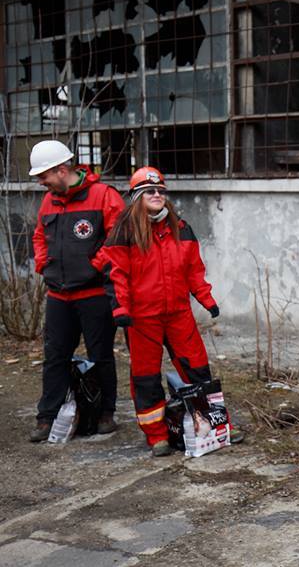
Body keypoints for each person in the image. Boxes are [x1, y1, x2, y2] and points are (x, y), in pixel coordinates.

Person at [102, 167, 240, 456]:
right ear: (136, 197)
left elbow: (194, 270)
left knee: (198, 369)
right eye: (149, 191)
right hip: (142, 319)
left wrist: (206, 299)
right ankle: (157, 436)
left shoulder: (180, 227)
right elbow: (117, 275)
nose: (156, 195)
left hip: (179, 314)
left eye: (160, 191)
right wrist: (121, 309)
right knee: (146, 377)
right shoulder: (124, 231)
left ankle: (217, 425)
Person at [29, 140, 125, 442]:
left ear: (61, 170)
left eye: (43, 175)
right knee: (54, 357)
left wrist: (93, 267)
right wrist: (43, 264)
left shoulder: (104, 196)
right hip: (58, 295)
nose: (41, 182)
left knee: (100, 356)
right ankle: (47, 417)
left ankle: (105, 413)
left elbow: (118, 239)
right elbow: (39, 235)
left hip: (94, 294)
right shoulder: (49, 200)